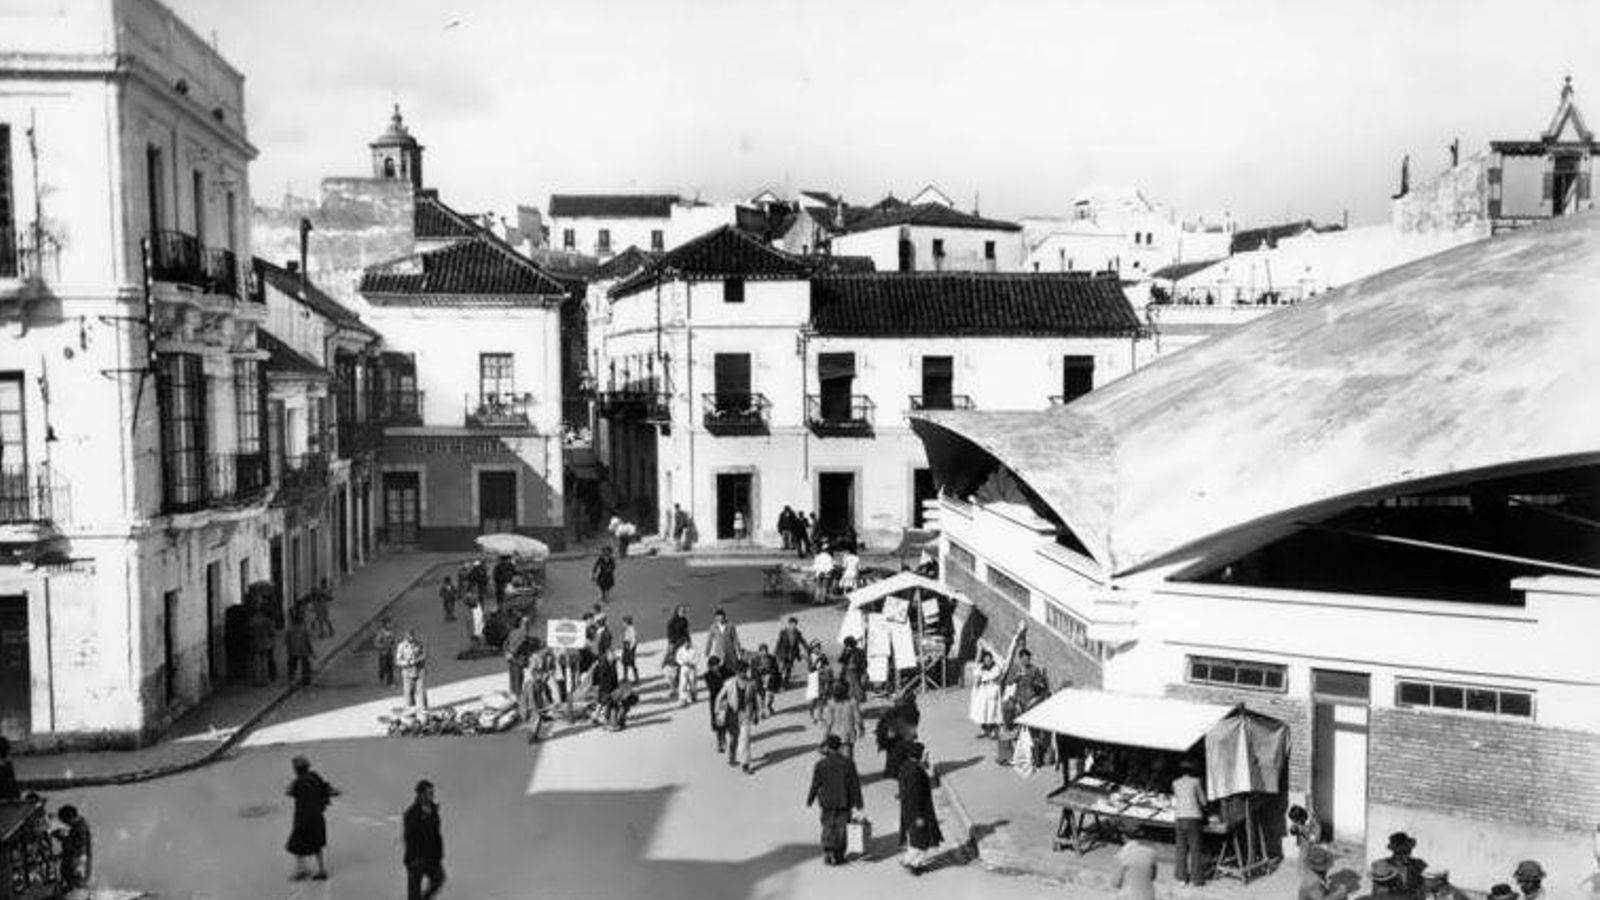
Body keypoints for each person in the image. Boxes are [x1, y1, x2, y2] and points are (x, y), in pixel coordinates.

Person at [807, 734, 864, 867]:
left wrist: (810, 798)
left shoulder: (821, 764)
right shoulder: (848, 763)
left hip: (827, 801)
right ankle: (838, 855)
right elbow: (854, 784)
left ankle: (828, 850)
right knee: (841, 828)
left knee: (827, 825)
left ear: (828, 747)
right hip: (844, 800)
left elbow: (816, 784)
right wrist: (858, 801)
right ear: (840, 747)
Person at [285, 756, 338, 881]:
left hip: (302, 818)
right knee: (317, 843)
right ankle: (321, 870)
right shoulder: (314, 777)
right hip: (317, 817)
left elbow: (289, 792)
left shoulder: (298, 783)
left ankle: (301, 870)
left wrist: (294, 781)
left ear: (296, 769)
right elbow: (327, 789)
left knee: (295, 844)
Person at [896, 741, 942, 876]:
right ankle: (916, 865)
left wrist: (924, 762)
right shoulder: (915, 771)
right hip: (918, 811)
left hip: (907, 809)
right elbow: (915, 794)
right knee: (922, 840)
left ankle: (907, 859)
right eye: (923, 753)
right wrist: (919, 816)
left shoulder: (905, 766)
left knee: (914, 837)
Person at [403, 780, 445, 900]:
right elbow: (410, 837)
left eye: (432, 793)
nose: (432, 796)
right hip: (416, 860)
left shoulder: (433, 812)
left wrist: (439, 854)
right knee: (413, 895)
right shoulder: (412, 813)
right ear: (421, 795)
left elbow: (436, 835)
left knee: (439, 878)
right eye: (429, 793)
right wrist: (424, 817)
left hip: (431, 858)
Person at [717, 661, 762, 773]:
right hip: (732, 714)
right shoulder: (729, 683)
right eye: (741, 671)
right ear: (737, 672)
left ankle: (745, 764)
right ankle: (732, 757)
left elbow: (755, 699)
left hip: (746, 714)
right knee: (733, 739)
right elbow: (720, 698)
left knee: (745, 739)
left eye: (744, 671)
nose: (743, 673)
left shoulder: (751, 683)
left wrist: (757, 714)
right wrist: (719, 714)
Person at [1172, 758, 1208, 886]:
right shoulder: (1196, 782)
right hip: (1193, 817)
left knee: (1181, 848)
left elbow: (1178, 799)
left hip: (1180, 817)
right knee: (1195, 848)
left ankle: (1181, 878)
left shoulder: (1175, 783)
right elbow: (1203, 802)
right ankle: (1196, 879)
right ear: (1192, 771)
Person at [819, 681, 864, 760]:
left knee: (835, 759)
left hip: (835, 737)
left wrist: (824, 738)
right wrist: (861, 729)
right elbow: (858, 719)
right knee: (848, 759)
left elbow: (828, 723)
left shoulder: (831, 704)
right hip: (848, 734)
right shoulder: (852, 702)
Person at [1112, 829, 1160, 900]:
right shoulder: (1152, 853)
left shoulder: (1122, 855)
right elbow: (1153, 877)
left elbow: (1116, 883)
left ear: (1124, 838)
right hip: (1148, 896)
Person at [53, 804, 92, 891]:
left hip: (77, 859)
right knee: (70, 876)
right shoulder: (79, 824)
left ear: (70, 818)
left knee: (73, 878)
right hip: (77, 858)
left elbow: (77, 845)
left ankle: (78, 892)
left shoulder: (80, 827)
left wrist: (61, 837)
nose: (65, 824)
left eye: (65, 821)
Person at [522, 647, 556, 743]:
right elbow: (533, 671)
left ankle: (535, 736)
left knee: (539, 714)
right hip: (534, 689)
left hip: (539, 687)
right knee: (536, 715)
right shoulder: (536, 658)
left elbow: (550, 671)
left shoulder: (549, 658)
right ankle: (532, 738)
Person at [968, 650, 1004, 737]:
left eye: (989, 659)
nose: (987, 661)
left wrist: (986, 678)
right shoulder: (981, 668)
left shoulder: (996, 668)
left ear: (991, 659)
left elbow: (995, 678)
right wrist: (976, 687)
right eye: (985, 659)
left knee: (992, 711)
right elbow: (977, 677)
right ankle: (983, 730)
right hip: (983, 691)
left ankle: (993, 731)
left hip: (992, 690)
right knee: (982, 711)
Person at [1386, 832, 1429, 900]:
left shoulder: (1419, 865)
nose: (1403, 856)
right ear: (1394, 852)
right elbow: (1381, 893)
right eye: (1399, 852)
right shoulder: (1383, 865)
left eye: (1406, 851)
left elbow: (1425, 888)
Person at [396, 629, 428, 709]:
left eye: (412, 636)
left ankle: (423, 708)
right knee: (408, 692)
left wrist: (417, 660)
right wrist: (407, 662)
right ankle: (411, 709)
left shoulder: (419, 644)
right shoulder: (401, 646)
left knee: (421, 690)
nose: (411, 638)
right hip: (407, 672)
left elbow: (424, 655)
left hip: (419, 670)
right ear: (405, 637)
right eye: (409, 637)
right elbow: (398, 661)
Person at [704, 656, 729, 753]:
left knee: (725, 721)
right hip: (716, 702)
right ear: (710, 666)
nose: (717, 666)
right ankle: (719, 743)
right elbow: (713, 689)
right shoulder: (707, 676)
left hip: (726, 700)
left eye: (718, 664)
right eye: (715, 665)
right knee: (718, 723)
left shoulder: (725, 671)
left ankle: (723, 740)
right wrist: (724, 684)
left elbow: (734, 675)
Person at [774, 617, 808, 689]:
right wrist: (776, 652)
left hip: (791, 654)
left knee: (788, 669)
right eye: (792, 624)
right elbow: (779, 642)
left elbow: (803, 641)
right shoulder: (783, 632)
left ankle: (786, 684)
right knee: (781, 669)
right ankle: (779, 683)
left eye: (795, 624)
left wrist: (808, 649)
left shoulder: (797, 633)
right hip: (783, 654)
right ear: (789, 624)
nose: (794, 626)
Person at [504, 616, 532, 696]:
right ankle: (517, 695)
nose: (527, 625)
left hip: (511, 658)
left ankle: (513, 693)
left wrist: (507, 653)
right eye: (526, 623)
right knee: (518, 677)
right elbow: (520, 644)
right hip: (517, 658)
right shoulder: (523, 633)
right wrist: (512, 653)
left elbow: (505, 643)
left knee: (513, 676)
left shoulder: (513, 632)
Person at [250, 604, 277, 687]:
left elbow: (249, 632)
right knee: (264, 661)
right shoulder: (267, 620)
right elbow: (272, 632)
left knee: (256, 662)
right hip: (265, 643)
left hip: (255, 643)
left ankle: (256, 680)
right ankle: (264, 680)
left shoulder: (252, 620)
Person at [285, 613, 314, 687]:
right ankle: (306, 680)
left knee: (292, 665)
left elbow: (287, 641)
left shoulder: (289, 630)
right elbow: (307, 641)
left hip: (293, 650)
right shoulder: (303, 629)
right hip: (303, 650)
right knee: (305, 665)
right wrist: (311, 651)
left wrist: (288, 649)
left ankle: (291, 679)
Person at [807, 651, 834, 723]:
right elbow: (810, 669)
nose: (818, 648)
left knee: (821, 701)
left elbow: (830, 679)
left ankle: (819, 716)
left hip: (822, 686)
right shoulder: (812, 660)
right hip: (815, 684)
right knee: (813, 701)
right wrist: (817, 660)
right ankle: (812, 714)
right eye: (817, 646)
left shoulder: (827, 669)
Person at [753, 643, 780, 715]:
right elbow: (753, 671)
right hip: (759, 680)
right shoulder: (755, 660)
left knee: (771, 696)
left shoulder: (772, 658)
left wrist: (771, 675)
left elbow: (776, 670)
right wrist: (759, 672)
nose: (764, 652)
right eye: (762, 650)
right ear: (759, 651)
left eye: (765, 650)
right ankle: (762, 711)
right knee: (761, 697)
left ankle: (769, 706)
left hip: (770, 680)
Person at [838, 636, 866, 703]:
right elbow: (841, 660)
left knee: (855, 684)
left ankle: (857, 697)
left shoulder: (859, 651)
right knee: (851, 684)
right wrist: (846, 653)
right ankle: (853, 697)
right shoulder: (846, 651)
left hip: (856, 670)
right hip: (848, 670)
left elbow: (863, 661)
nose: (847, 646)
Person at [675, 640, 702, 706]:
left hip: (692, 668)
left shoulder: (694, 649)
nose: (686, 645)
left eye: (687, 643)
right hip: (684, 668)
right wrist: (683, 662)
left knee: (692, 682)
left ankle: (693, 695)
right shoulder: (680, 650)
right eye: (685, 643)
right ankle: (683, 698)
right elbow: (678, 658)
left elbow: (697, 657)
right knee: (683, 683)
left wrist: (692, 663)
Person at [374, 618, 397, 687]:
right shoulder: (380, 633)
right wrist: (383, 646)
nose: (390, 625)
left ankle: (390, 682)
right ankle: (382, 675)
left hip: (390, 653)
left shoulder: (392, 632)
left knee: (390, 667)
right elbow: (376, 643)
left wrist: (393, 645)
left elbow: (394, 641)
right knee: (383, 667)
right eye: (389, 624)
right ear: (385, 625)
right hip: (383, 653)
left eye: (391, 624)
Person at [621, 615, 640, 683]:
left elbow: (634, 640)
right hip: (626, 647)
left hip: (629, 648)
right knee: (624, 663)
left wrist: (631, 648)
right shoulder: (627, 629)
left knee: (632, 663)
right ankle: (625, 677)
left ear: (627, 622)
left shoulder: (631, 629)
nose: (622, 624)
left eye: (623, 622)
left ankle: (636, 678)